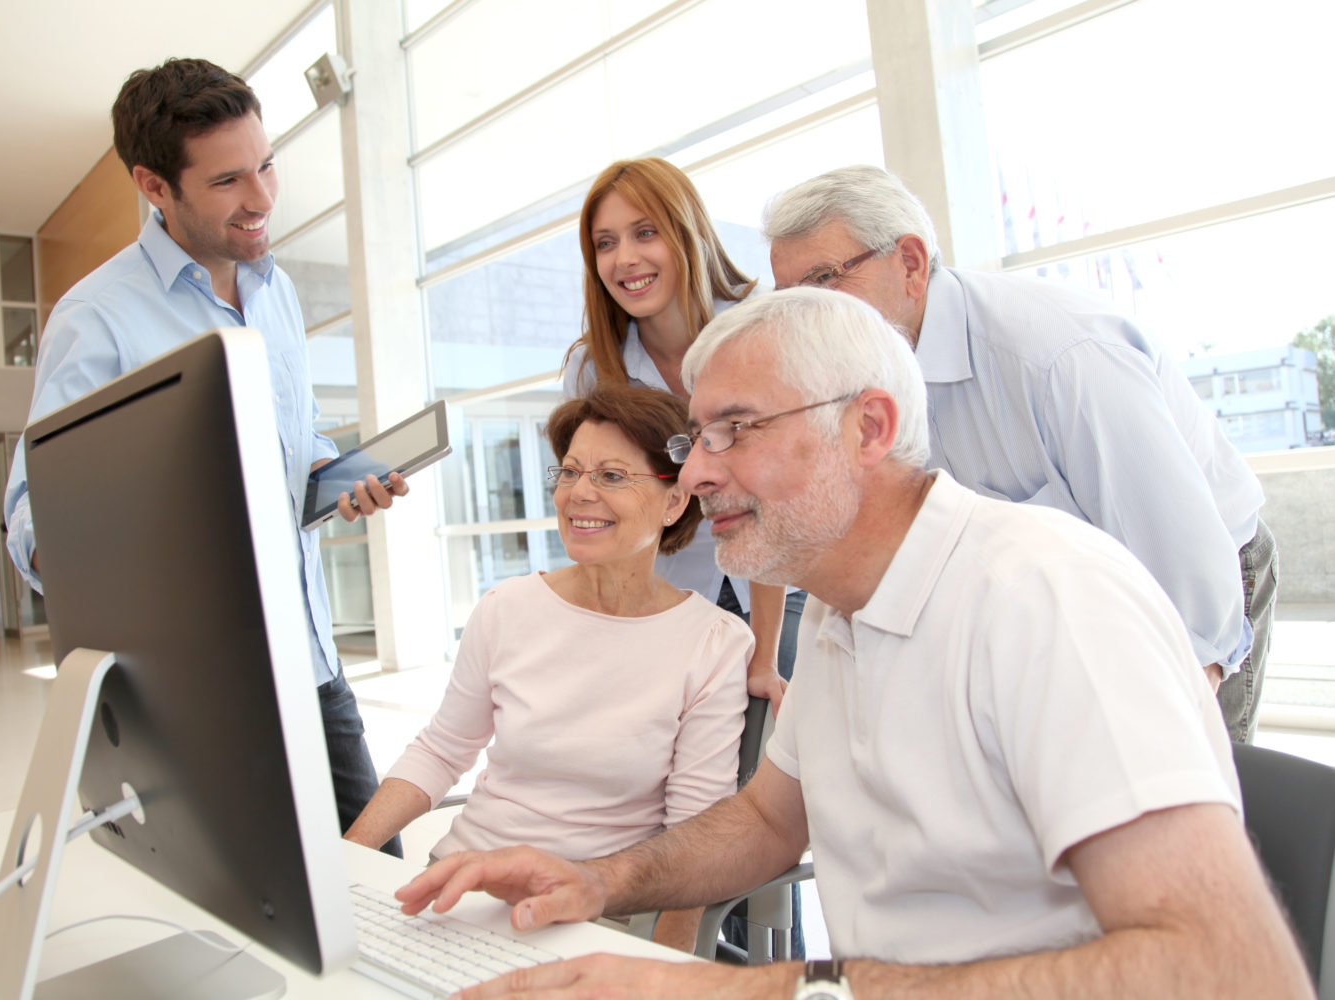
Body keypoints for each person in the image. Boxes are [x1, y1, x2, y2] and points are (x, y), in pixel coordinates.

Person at [391, 289, 1312, 1000]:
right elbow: (765, 821)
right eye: (695, 435)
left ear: (868, 428)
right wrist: (599, 881)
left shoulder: (1044, 594)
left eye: (736, 430)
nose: (700, 470)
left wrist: (751, 988)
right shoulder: (837, 610)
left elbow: (1230, 971)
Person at [1, 58, 403, 853]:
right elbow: (33, 520)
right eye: (227, 181)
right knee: (254, 911)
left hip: (312, 663)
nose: (261, 199)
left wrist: (333, 478)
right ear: (155, 187)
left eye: (266, 166)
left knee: (381, 886)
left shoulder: (273, 289)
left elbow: (296, 441)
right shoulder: (98, 319)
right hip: (204, 695)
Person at [763, 165, 1275, 743]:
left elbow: (1186, 574)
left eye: (824, 280)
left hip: (1195, 578)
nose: (808, 316)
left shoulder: (1061, 355)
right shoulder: (861, 379)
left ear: (910, 263)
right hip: (1056, 596)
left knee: (1192, 793)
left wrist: (1172, 739)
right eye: (791, 298)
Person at [345, 383, 751, 952]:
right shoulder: (507, 607)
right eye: (568, 472)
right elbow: (441, 750)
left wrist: (671, 969)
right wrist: (346, 858)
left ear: (673, 501)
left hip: (587, 915)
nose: (578, 494)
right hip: (460, 882)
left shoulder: (713, 643)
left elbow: (694, 834)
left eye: (611, 476)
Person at [561, 158, 801, 714]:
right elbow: (594, 507)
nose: (625, 259)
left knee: (784, 768)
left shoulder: (759, 330)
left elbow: (776, 497)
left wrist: (763, 655)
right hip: (666, 597)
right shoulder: (594, 370)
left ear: (686, 231)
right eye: (605, 243)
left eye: (645, 232)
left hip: (778, 589)